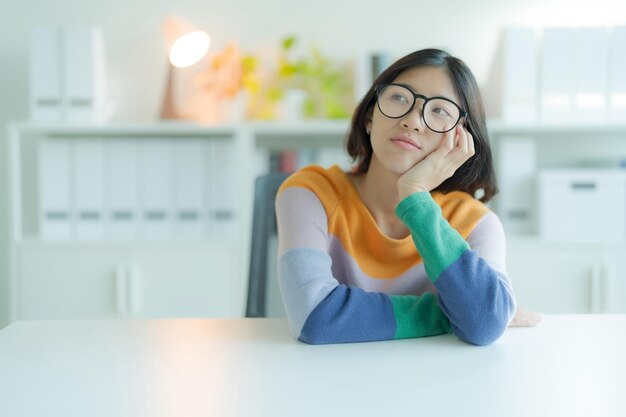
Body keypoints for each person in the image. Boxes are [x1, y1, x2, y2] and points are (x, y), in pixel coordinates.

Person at [275, 48, 538, 346]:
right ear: (370, 116)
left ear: (459, 140)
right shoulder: (310, 194)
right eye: (399, 97)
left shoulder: (476, 222)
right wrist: (451, 316)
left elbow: (486, 323)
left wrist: (414, 196)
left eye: (439, 110)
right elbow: (316, 317)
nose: (413, 120)